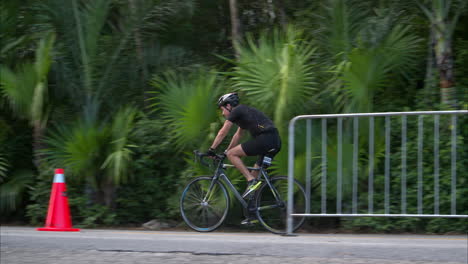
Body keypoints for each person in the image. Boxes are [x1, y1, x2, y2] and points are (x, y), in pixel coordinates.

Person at [206, 92, 281, 224]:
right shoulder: (244, 113)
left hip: (265, 139)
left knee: (242, 168)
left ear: (228, 106)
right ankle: (253, 214)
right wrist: (226, 151)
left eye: (222, 109)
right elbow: (237, 136)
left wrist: (211, 150)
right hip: (274, 142)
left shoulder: (237, 111)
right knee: (253, 183)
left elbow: (223, 132)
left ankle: (250, 179)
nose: (223, 113)